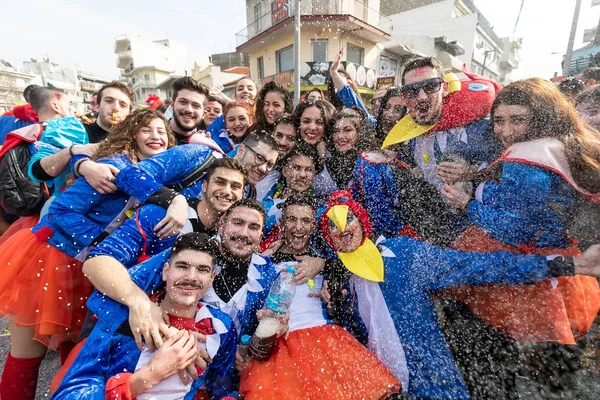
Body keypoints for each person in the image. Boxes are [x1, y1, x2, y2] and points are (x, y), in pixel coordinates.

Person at [318, 190, 600, 399]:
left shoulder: (404, 254)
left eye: (348, 219)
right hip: (384, 388)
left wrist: (568, 264)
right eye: (332, 225)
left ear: (362, 220)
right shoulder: (341, 281)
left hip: (434, 386)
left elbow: (482, 267)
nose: (342, 229)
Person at [0, 109, 176, 400]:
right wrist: (104, 241)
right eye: (147, 130)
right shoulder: (113, 166)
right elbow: (59, 211)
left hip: (92, 268)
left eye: (161, 132)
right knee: (28, 353)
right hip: (54, 260)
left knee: (77, 353)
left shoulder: (151, 174)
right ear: (131, 135)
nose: (156, 136)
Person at [441, 77, 600, 398]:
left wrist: (467, 204)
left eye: (518, 120)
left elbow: (515, 231)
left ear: (540, 116)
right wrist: (476, 173)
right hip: (556, 269)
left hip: (518, 273)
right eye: (499, 121)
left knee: (489, 361)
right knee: (552, 372)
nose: (506, 130)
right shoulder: (557, 146)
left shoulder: (525, 161)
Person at [240, 195, 401, 399]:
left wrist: (325, 266)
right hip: (278, 347)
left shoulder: (328, 259)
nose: (298, 227)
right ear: (281, 222)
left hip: (325, 343)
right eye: (291, 219)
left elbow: (352, 263)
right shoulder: (262, 262)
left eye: (306, 220)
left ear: (314, 225)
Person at [53, 233, 238, 400]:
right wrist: (149, 376)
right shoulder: (122, 319)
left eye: (202, 270)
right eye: (182, 266)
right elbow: (68, 395)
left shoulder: (220, 325)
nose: (191, 277)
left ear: (212, 278)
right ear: (166, 271)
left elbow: (221, 390)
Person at [260, 144, 321, 237]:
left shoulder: (321, 213)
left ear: (314, 176)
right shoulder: (264, 209)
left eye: (309, 170)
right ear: (285, 171)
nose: (302, 175)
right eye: (297, 168)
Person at [255, 113, 299, 202]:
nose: (282, 142)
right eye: (279, 135)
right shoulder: (251, 152)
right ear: (272, 134)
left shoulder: (294, 172)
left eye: (290, 138)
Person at [168, 77, 210, 145]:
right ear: (172, 105)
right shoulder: (156, 139)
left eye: (196, 106)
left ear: (204, 114)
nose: (189, 110)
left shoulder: (203, 145)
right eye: (183, 102)